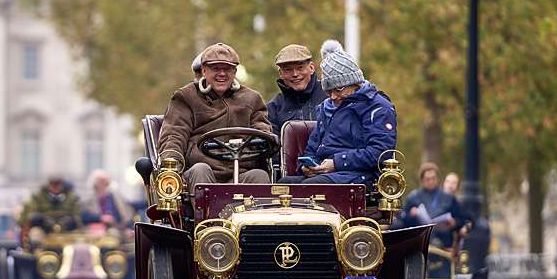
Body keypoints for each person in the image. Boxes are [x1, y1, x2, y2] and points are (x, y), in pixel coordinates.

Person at [157, 42, 272, 192]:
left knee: (259, 175)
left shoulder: (252, 99)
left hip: (242, 171)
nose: (222, 74)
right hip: (203, 171)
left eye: (227, 69)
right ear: (204, 71)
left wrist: (261, 141)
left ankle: (255, 216)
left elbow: (262, 130)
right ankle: (207, 215)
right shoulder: (186, 97)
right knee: (200, 170)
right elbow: (174, 134)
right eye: (216, 69)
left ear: (235, 72)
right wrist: (171, 164)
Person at [279, 40, 396, 186]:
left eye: (338, 89)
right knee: (283, 185)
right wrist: (307, 166)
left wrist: (337, 162)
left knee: (309, 188)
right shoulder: (326, 107)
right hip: (328, 173)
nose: (333, 96)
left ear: (355, 83)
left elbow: (380, 153)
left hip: (361, 176)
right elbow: (313, 147)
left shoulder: (378, 107)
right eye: (328, 91)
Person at [402, 162, 467, 248]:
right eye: (427, 179)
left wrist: (454, 223)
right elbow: (404, 222)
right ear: (422, 180)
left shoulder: (448, 197)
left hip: (444, 243)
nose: (431, 181)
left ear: (437, 179)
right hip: (419, 243)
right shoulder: (413, 197)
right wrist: (411, 215)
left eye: (433, 178)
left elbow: (461, 220)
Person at [265, 44, 327, 134]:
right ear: (280, 73)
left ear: (311, 68)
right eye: (288, 70)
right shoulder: (274, 107)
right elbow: (272, 144)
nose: (295, 74)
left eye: (300, 68)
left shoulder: (331, 95)